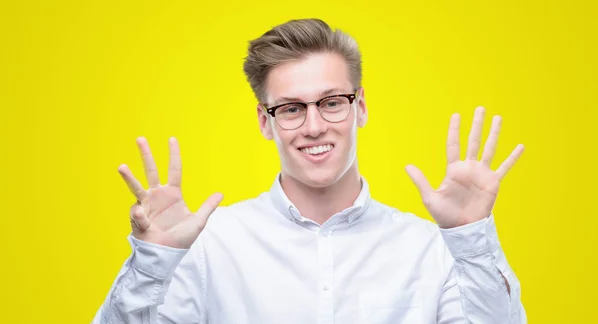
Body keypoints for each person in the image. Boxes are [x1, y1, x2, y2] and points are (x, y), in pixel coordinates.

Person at [92, 18, 527, 324]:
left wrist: (472, 237)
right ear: (266, 121)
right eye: (292, 108)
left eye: (332, 101)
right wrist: (153, 265)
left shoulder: (432, 249)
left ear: (361, 106)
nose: (314, 125)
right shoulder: (205, 247)